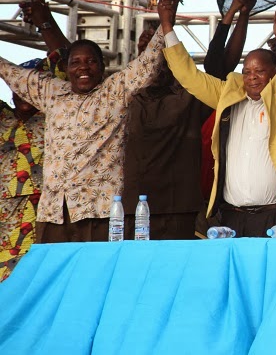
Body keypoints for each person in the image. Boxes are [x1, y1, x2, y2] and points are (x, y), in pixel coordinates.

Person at [158, 0, 276, 237]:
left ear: (275, 72)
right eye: (247, 71)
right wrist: (166, 26)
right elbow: (189, 76)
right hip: (233, 217)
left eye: (259, 71)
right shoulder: (228, 95)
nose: (252, 77)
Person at [0, 19, 166, 242]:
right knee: (54, 265)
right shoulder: (52, 92)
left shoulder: (114, 91)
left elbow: (147, 64)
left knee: (98, 265)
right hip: (54, 212)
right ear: (66, 69)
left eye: (91, 61)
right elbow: (10, 72)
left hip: (99, 210)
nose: (83, 67)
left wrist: (166, 23)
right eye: (75, 62)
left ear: (102, 66)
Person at [123, 0, 257, 239]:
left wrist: (238, 14)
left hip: (178, 210)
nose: (159, 65)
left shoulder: (189, 99)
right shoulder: (126, 97)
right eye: (151, 57)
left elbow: (220, 63)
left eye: (167, 60)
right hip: (137, 210)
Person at [0, 59, 52, 280]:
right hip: (4, 215)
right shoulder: (3, 117)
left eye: (31, 86)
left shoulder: (56, 116)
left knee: (33, 277)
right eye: (19, 85)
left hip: (41, 213)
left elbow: (65, 55)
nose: (24, 92)